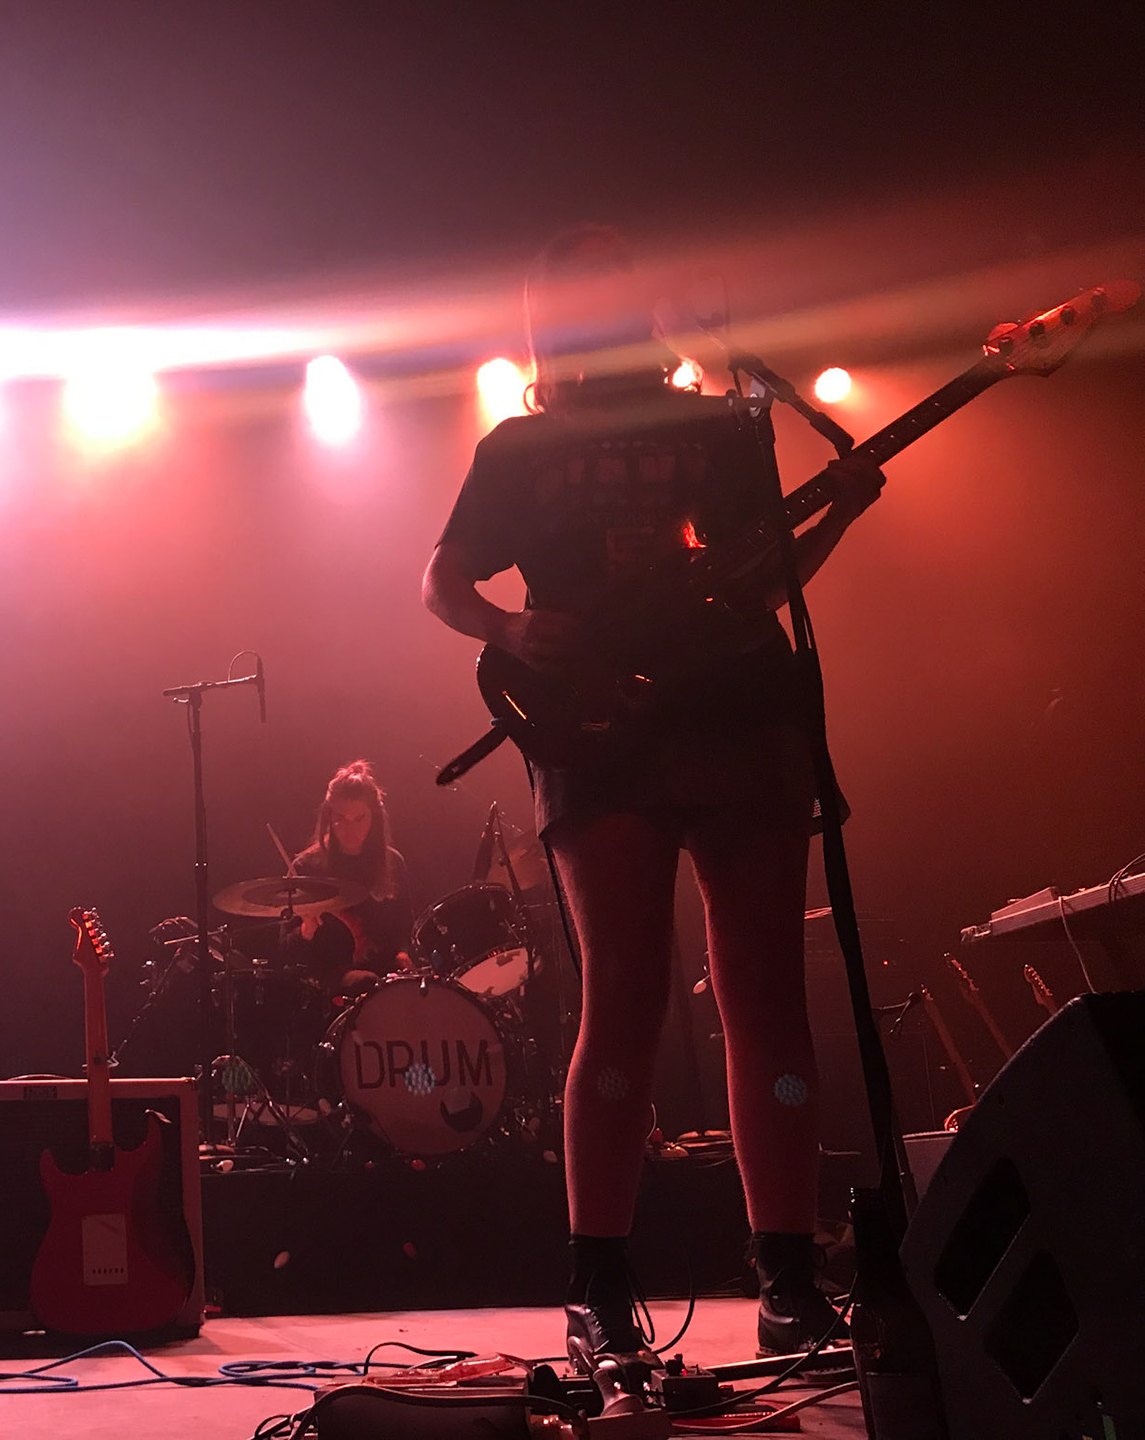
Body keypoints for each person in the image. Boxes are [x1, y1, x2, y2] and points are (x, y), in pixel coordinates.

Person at [421, 226, 884, 1367]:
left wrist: (838, 514)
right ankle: (599, 1282)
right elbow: (442, 579)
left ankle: (787, 1274)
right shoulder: (521, 443)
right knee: (625, 987)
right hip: (596, 722)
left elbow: (759, 581)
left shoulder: (720, 422)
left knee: (767, 994)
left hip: (739, 706)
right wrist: (508, 627)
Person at [286, 760, 415, 999]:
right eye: (341, 818)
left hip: (385, 972)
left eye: (360, 818)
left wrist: (403, 953)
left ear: (374, 818)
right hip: (327, 979)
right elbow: (284, 950)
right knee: (366, 982)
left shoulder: (392, 862)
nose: (350, 828)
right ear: (328, 817)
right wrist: (306, 930)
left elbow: (404, 927)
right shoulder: (306, 867)